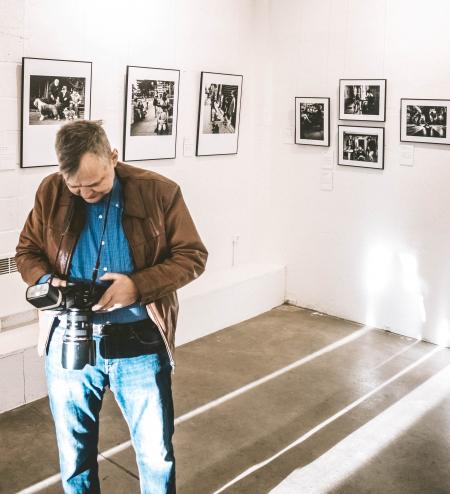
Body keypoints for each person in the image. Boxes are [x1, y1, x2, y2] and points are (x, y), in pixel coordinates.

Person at [15, 120, 208, 493]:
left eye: (96, 183)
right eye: (76, 186)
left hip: (138, 342)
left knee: (155, 455)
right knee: (74, 458)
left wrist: (137, 287)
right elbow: (27, 252)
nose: (86, 193)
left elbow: (192, 256)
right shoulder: (51, 191)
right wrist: (45, 281)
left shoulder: (160, 192)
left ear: (114, 158)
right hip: (67, 339)